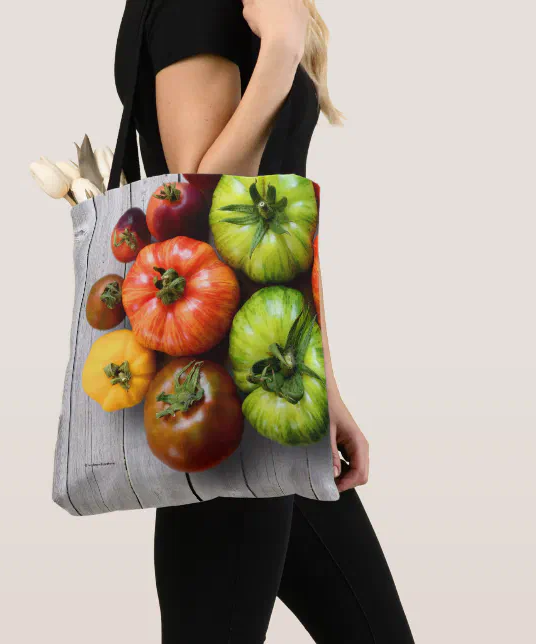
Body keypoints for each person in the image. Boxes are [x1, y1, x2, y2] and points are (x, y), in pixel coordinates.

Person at [114, 1, 415, 642]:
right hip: (216, 403)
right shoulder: (196, 6)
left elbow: (283, 223)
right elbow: (205, 207)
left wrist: (326, 392)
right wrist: (279, 53)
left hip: (276, 390)